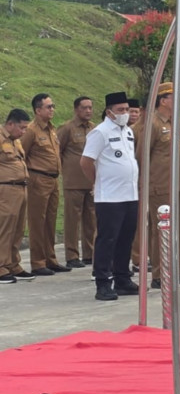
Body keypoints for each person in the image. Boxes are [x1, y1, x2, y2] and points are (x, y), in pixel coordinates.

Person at [133, 82, 180, 288]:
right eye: (173, 96)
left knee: (179, 229)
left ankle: (177, 269)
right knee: (161, 231)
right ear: (162, 100)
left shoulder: (173, 123)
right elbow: (142, 155)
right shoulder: (151, 123)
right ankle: (160, 274)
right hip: (160, 185)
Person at [80, 92, 139, 301]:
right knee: (108, 239)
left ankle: (122, 278)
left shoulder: (128, 132)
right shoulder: (100, 133)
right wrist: (97, 182)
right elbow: (86, 161)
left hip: (130, 194)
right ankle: (103, 282)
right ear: (109, 112)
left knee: (126, 238)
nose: (125, 114)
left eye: (126, 109)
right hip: (109, 197)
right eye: (120, 110)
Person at [21, 93, 71, 276]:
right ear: (38, 110)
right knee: (37, 221)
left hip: (53, 180)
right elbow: (21, 154)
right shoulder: (31, 130)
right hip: (38, 179)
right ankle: (38, 262)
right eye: (48, 107)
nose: (52, 109)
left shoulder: (51, 129)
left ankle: (51, 258)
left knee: (50, 221)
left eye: (53, 106)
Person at [56, 96, 96, 268]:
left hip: (91, 181)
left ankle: (89, 253)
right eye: (84, 108)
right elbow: (57, 151)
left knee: (91, 219)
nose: (88, 111)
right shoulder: (67, 128)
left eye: (90, 108)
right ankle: (72, 255)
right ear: (76, 110)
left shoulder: (95, 129)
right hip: (73, 181)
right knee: (73, 220)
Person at [0, 109, 34, 284]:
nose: (23, 132)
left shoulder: (16, 141)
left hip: (21, 188)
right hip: (5, 190)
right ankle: (1, 266)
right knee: (4, 229)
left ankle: (13, 263)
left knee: (18, 228)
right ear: (10, 124)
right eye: (21, 128)